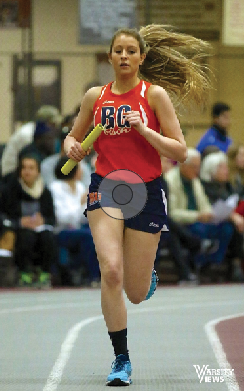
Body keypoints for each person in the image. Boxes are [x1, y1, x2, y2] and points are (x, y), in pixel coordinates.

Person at [63, 25, 211, 386]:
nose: (125, 56)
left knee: (134, 291)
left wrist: (145, 130)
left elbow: (180, 150)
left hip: (145, 190)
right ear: (110, 57)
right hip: (106, 188)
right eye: (119, 50)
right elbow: (72, 136)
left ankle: (144, 279)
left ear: (142, 58)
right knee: (111, 271)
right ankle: (121, 359)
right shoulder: (94, 97)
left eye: (132, 50)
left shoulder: (154, 95)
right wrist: (71, 146)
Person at [164, 148, 233, 270]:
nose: (197, 171)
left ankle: (210, 263)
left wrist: (209, 213)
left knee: (226, 228)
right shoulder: (170, 180)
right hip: (182, 223)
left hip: (200, 220)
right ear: (183, 165)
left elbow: (204, 203)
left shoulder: (195, 180)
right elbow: (172, 213)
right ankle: (196, 264)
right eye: (194, 167)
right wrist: (198, 216)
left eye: (199, 167)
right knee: (200, 230)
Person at [0, 153, 57, 288]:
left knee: (48, 237)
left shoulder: (45, 192)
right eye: (24, 168)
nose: (27, 171)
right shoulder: (10, 190)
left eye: (31, 168)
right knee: (26, 237)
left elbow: (52, 218)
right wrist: (20, 222)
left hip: (40, 228)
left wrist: (43, 220)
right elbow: (4, 215)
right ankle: (24, 273)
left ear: (38, 171)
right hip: (19, 229)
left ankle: (44, 274)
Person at [49, 156, 100, 287]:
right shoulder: (55, 188)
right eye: (79, 168)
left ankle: (98, 274)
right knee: (88, 236)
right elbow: (62, 217)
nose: (82, 171)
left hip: (78, 227)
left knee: (100, 233)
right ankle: (93, 276)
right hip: (61, 230)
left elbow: (84, 215)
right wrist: (81, 203)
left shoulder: (79, 186)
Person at [200, 151, 244, 281]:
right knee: (230, 228)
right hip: (210, 221)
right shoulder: (205, 186)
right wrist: (234, 217)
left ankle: (234, 264)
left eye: (226, 167)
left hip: (229, 221)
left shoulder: (228, 186)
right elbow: (213, 208)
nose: (226, 171)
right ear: (211, 169)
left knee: (233, 227)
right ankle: (221, 263)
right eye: (222, 167)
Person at [1, 105, 61, 181]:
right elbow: (29, 159)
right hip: (11, 173)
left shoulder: (39, 131)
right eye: (52, 123)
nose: (54, 127)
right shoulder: (27, 134)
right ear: (44, 122)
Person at [41, 114, 91, 188]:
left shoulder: (83, 166)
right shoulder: (47, 164)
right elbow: (49, 188)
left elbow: (87, 188)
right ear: (62, 144)